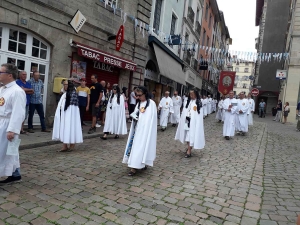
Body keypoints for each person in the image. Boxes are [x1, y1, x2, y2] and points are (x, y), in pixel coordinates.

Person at [122, 86, 157, 176]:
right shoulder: (138, 104)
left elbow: (151, 119)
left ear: (145, 94)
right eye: (136, 95)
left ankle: (141, 163)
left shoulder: (151, 104)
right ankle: (134, 166)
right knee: (135, 148)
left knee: (142, 147)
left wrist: (145, 128)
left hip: (145, 132)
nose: (137, 97)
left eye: (139, 95)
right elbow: (137, 115)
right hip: (137, 130)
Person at [0, 63, 26, 184]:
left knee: (7, 151)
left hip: (9, 126)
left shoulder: (17, 91)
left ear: (9, 75)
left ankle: (9, 173)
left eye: (1, 72)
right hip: (2, 122)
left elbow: (19, 112)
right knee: (12, 152)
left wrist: (13, 130)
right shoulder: (3, 89)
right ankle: (15, 174)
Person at [52, 81, 83, 151]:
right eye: (64, 84)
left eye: (66, 84)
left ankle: (71, 144)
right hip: (65, 114)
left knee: (70, 128)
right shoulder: (66, 93)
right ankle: (65, 145)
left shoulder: (73, 93)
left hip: (70, 115)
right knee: (64, 128)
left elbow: (72, 106)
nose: (64, 86)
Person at [175, 89, 205, 158]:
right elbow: (184, 112)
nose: (191, 96)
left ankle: (189, 151)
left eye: (193, 94)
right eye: (190, 94)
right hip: (187, 122)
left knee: (190, 136)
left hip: (193, 123)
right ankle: (189, 148)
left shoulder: (198, 103)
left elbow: (198, 115)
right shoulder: (187, 102)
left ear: (196, 94)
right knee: (186, 136)